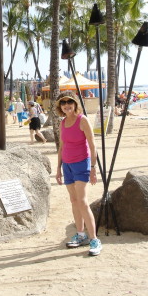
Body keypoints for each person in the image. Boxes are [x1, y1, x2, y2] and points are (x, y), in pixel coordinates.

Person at [55, 90, 102, 256]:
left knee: (82, 201)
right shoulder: (62, 123)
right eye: (63, 103)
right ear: (60, 106)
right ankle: (81, 235)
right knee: (74, 200)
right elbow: (61, 146)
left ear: (75, 104)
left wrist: (94, 168)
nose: (66, 105)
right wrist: (58, 168)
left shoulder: (83, 121)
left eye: (69, 102)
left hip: (82, 164)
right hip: (67, 165)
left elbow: (93, 144)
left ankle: (94, 239)